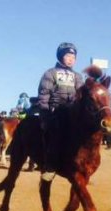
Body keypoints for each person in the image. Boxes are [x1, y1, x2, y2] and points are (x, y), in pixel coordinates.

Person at [37, 42, 83, 179]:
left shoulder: (78, 76)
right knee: (56, 133)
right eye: (68, 55)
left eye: (73, 56)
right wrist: (45, 115)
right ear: (60, 56)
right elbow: (44, 95)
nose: (71, 59)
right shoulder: (50, 73)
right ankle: (50, 166)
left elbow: (81, 95)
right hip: (55, 111)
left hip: (73, 112)